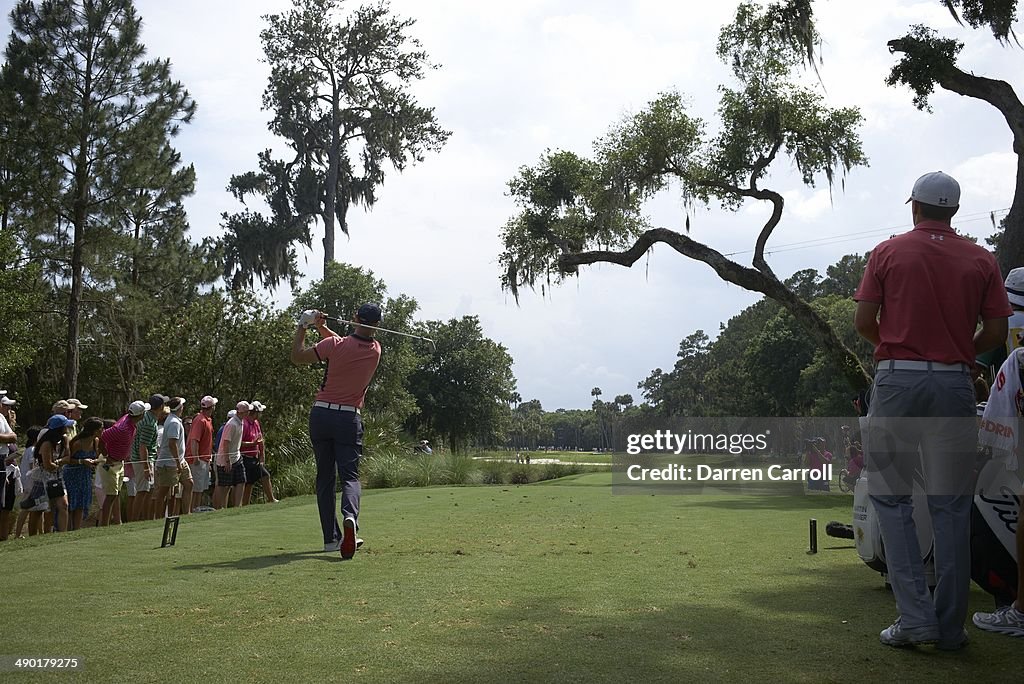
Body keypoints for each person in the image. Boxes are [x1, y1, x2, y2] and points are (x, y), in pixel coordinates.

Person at [854, 171, 1010, 650]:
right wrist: (958, 352)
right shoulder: (982, 259)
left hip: (897, 380)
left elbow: (864, 323)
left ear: (915, 208)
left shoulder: (887, 252)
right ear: (954, 212)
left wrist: (897, 352)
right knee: (950, 507)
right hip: (953, 383)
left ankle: (914, 618)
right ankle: (948, 627)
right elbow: (996, 333)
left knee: (893, 500)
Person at [291, 304, 382, 558]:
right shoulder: (375, 350)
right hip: (349, 419)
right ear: (376, 324)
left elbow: (298, 356)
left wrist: (303, 325)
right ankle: (350, 516)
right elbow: (342, 343)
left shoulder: (335, 346)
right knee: (350, 477)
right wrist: (321, 327)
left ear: (355, 319)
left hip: (321, 415)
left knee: (325, 478)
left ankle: (331, 538)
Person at [98, 402, 147, 526]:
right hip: (110, 463)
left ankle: (117, 522)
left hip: (119, 463)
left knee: (116, 493)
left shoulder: (130, 423)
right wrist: (106, 456)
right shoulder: (122, 428)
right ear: (141, 415)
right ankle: (104, 526)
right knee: (110, 495)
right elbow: (102, 438)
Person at [153, 397, 193, 517]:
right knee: (163, 492)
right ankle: (159, 519)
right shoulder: (174, 422)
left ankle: (187, 514)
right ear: (180, 408)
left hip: (179, 461)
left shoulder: (175, 420)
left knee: (189, 484)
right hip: (169, 463)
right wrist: (177, 462)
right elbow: (172, 444)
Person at [37, 414, 75, 532]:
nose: (67, 429)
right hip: (44, 479)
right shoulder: (47, 444)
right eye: (65, 426)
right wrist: (60, 463)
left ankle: (62, 534)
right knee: (49, 509)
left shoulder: (64, 440)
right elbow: (48, 465)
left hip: (58, 477)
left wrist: (57, 462)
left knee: (64, 505)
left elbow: (68, 458)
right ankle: (47, 533)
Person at [129, 395, 163, 521]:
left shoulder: (149, 417)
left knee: (147, 491)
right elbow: (143, 447)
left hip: (143, 459)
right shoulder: (149, 423)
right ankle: (134, 521)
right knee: (142, 491)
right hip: (142, 460)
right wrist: (146, 467)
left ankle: (145, 519)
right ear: (161, 407)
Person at [64, 417, 102, 530]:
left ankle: (76, 529)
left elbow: (96, 456)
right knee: (72, 504)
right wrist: (81, 461)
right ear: (94, 430)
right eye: (101, 429)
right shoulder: (77, 443)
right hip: (72, 476)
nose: (103, 431)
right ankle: (68, 529)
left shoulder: (96, 442)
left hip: (85, 476)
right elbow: (66, 459)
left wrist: (95, 462)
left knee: (81, 504)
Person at [241, 401, 277, 505]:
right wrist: (252, 444)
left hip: (254, 458)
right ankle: (270, 499)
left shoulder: (256, 423)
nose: (260, 415)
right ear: (255, 412)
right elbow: (239, 443)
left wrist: (262, 456)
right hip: (244, 457)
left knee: (251, 482)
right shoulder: (245, 424)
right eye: (260, 412)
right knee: (256, 479)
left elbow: (260, 440)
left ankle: (246, 505)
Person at [214, 402, 248, 509]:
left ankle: (238, 506)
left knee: (241, 480)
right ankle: (221, 509)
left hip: (237, 457)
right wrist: (227, 461)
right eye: (246, 412)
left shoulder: (240, 422)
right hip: (225, 460)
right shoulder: (231, 424)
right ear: (241, 412)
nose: (248, 414)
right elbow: (225, 443)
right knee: (224, 486)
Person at [187, 396, 217, 512]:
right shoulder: (200, 420)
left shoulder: (207, 419)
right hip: (198, 460)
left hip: (205, 459)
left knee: (200, 488)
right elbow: (194, 440)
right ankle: (192, 510)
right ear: (212, 407)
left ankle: (196, 509)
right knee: (196, 489)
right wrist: (196, 458)